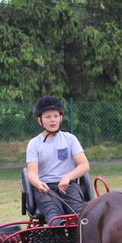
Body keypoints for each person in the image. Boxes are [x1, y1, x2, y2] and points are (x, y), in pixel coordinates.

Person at [25, 95, 90, 225]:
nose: (52, 120)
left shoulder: (70, 139)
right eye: (48, 117)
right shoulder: (34, 143)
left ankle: (79, 237)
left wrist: (67, 177)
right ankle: (57, 234)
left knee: (79, 216)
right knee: (55, 217)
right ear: (40, 120)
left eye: (55, 116)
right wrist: (38, 184)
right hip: (45, 188)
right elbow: (31, 173)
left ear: (60, 117)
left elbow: (84, 165)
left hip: (68, 186)